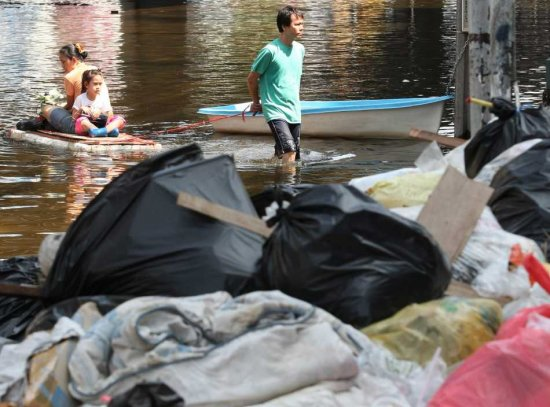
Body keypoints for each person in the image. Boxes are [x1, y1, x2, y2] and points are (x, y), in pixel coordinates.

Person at [247, 5, 305, 164]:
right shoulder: (270, 51)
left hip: (294, 109)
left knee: (292, 155)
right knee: (290, 150)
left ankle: (276, 178)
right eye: (297, 24)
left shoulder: (300, 49)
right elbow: (252, 79)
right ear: (284, 26)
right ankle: (290, 188)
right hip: (275, 109)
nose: (302, 27)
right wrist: (256, 102)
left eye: (302, 24)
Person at [17, 43, 110, 134]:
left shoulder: (70, 76)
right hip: (104, 119)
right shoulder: (95, 70)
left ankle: (41, 123)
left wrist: (54, 109)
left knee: (45, 108)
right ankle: (43, 123)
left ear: (73, 59)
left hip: (80, 123)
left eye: (63, 62)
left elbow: (70, 106)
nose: (62, 65)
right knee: (57, 110)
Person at [72, 69, 125, 137]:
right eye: (95, 84)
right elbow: (73, 119)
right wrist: (81, 109)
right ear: (86, 84)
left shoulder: (103, 98)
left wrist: (100, 112)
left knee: (120, 119)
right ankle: (101, 131)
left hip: (102, 126)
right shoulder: (80, 98)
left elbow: (110, 116)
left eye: (100, 84)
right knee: (82, 120)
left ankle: (101, 132)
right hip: (85, 128)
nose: (98, 87)